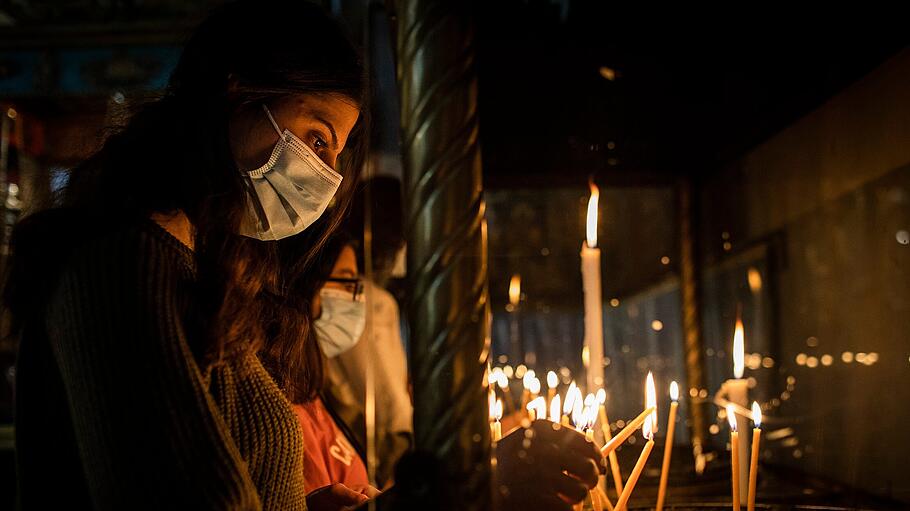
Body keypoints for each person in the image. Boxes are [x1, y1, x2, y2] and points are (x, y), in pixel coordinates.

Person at [4, 1, 368, 509]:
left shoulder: (204, 271)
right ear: (237, 93)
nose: (328, 177)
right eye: (316, 137)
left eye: (336, 153)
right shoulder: (120, 265)